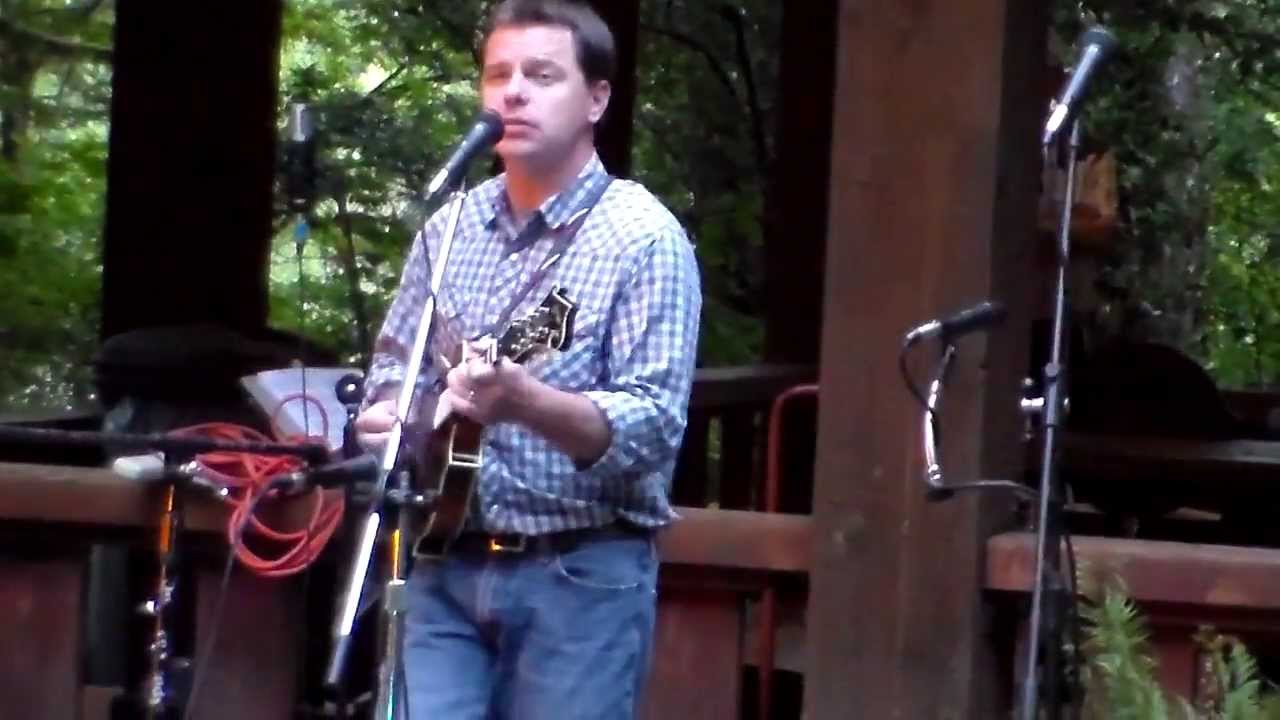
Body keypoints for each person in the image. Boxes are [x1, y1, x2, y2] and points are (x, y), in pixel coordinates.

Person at [353, 1, 702, 717]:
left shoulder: (643, 238)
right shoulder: (449, 228)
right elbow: (393, 367)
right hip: (442, 558)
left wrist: (526, 402)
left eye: (541, 75)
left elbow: (654, 426)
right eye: (498, 74)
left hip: (580, 572)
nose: (513, 92)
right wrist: (393, 416)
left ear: (596, 99)